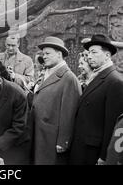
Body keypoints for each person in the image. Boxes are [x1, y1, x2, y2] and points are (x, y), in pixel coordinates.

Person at [69, 34, 123, 165]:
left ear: (107, 55)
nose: (89, 56)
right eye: (88, 53)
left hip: (93, 153)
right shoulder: (96, 76)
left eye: (94, 52)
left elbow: (112, 123)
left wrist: (104, 156)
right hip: (81, 147)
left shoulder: (115, 81)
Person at [32, 36, 81, 165]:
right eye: (43, 54)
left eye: (48, 53)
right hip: (39, 135)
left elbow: (69, 114)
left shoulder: (68, 78)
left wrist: (63, 141)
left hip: (51, 140)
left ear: (59, 54)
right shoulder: (47, 73)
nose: (44, 56)